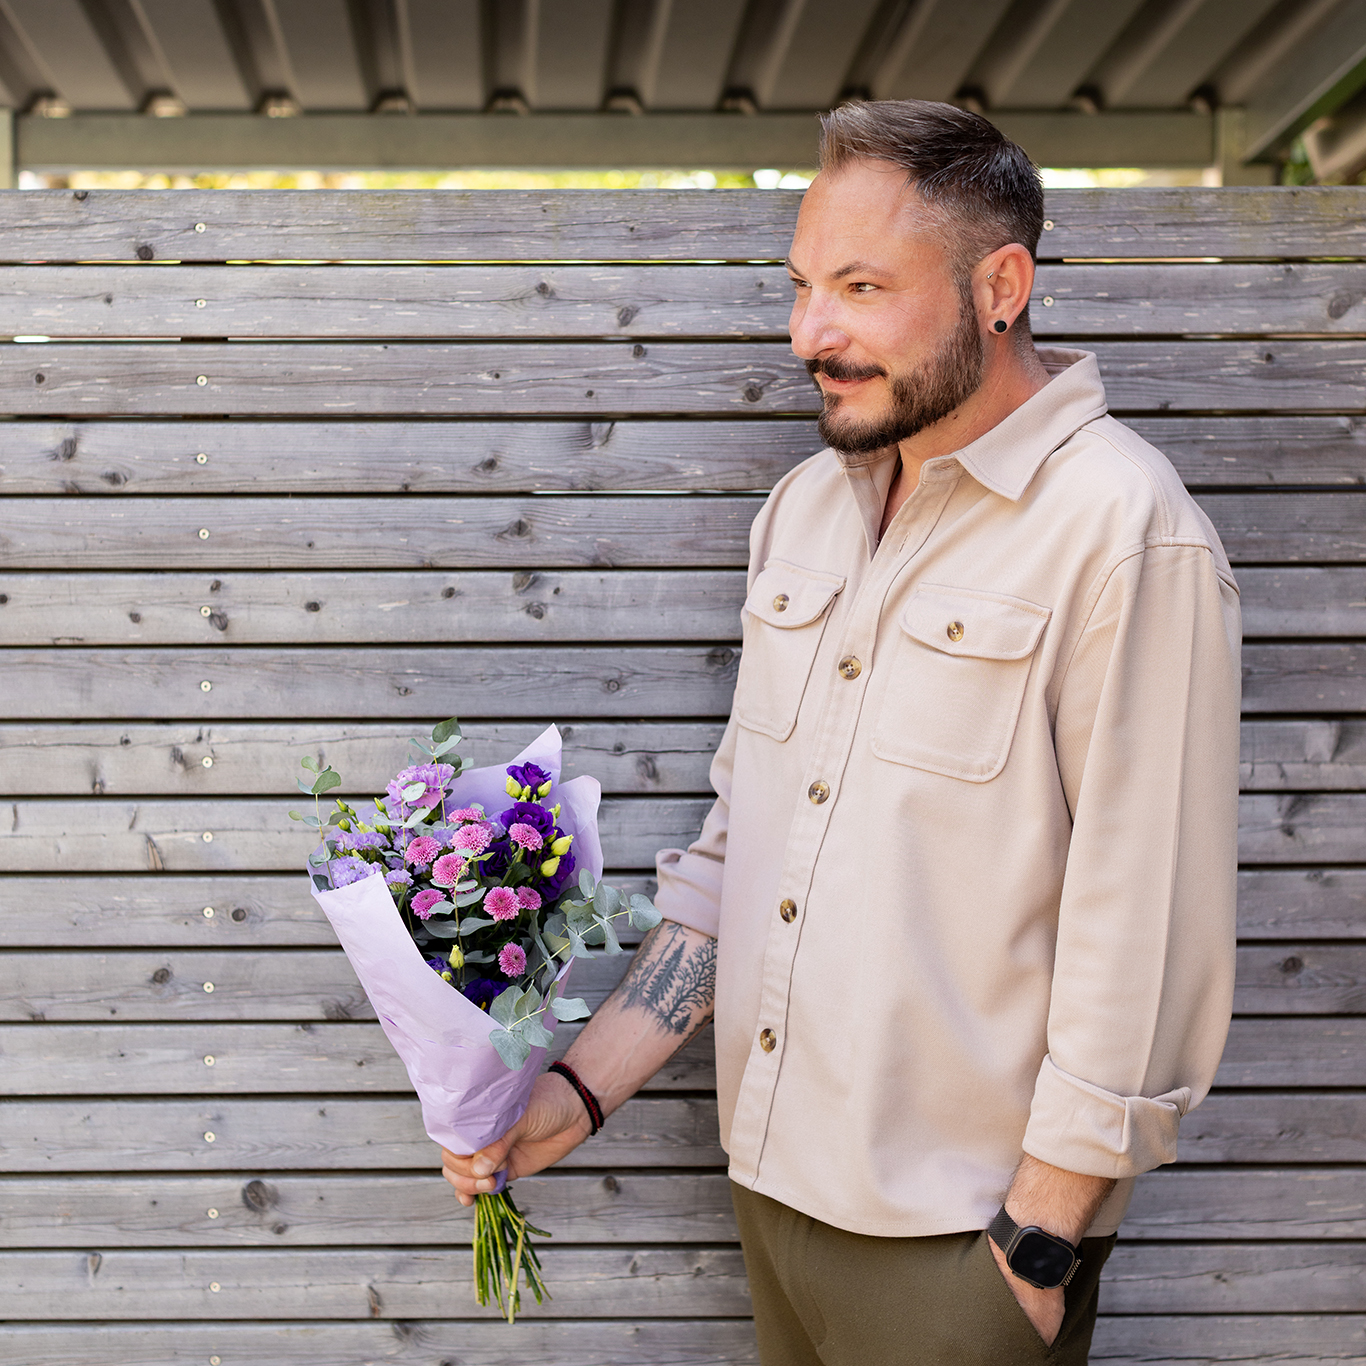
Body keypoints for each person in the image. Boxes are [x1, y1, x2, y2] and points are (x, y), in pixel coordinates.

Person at [442, 99, 1240, 1365]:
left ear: (999, 287)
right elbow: (743, 852)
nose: (811, 332)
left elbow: (1145, 926)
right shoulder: (805, 510)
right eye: (803, 285)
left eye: (861, 287)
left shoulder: (1123, 529)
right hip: (769, 1197)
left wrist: (1034, 1249)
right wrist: (578, 1094)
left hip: (959, 1245)